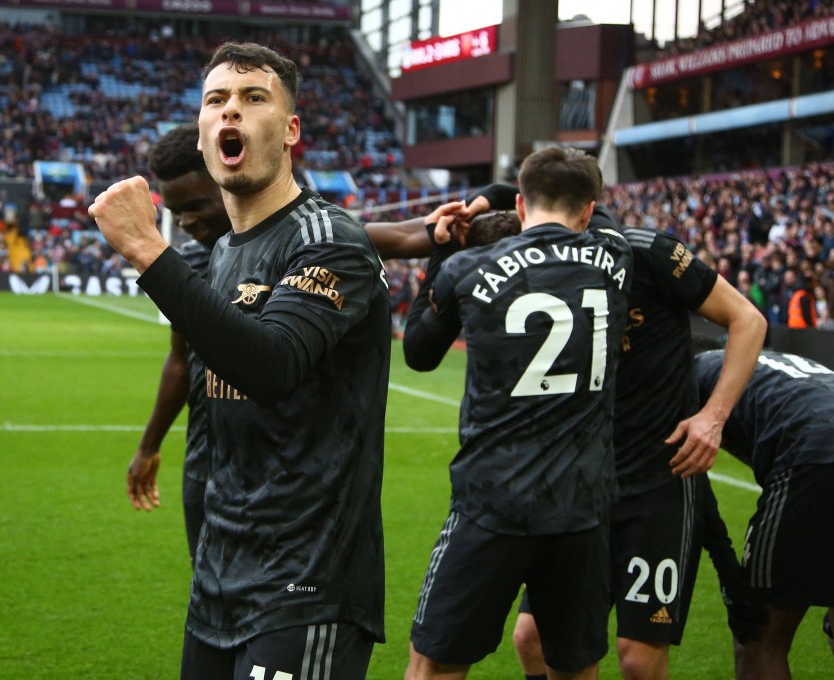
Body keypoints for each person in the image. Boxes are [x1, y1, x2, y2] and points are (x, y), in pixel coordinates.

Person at [89, 42, 390, 680]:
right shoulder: (224, 254)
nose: (231, 112)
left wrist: (147, 248)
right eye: (216, 100)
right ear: (202, 135)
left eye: (254, 99)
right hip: (222, 575)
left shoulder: (329, 242)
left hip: (306, 584)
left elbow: (272, 365)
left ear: (289, 132)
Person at [436, 184, 766, 678]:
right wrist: (482, 203)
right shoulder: (542, 269)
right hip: (583, 486)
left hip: (658, 479)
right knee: (531, 639)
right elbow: (532, 183)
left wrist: (712, 417)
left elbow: (748, 318)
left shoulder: (642, 250)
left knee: (637, 654)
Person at [401, 146, 634, 680]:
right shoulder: (617, 257)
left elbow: (417, 352)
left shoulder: (468, 266)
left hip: (493, 500)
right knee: (574, 666)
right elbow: (602, 218)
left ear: (522, 210)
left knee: (433, 663)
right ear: (587, 209)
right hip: (582, 505)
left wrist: (445, 242)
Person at [695, 349, 834, 680]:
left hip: (815, 447)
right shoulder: (774, 360)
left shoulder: (693, 372)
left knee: (757, 636)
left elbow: (689, 485)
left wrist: (725, 561)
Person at [125, 123, 231, 567]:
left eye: (195, 206)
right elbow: (179, 359)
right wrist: (149, 446)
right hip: (204, 463)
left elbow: (388, 237)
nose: (186, 222)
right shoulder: (187, 261)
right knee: (208, 596)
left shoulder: (293, 246)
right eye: (176, 212)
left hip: (280, 468)